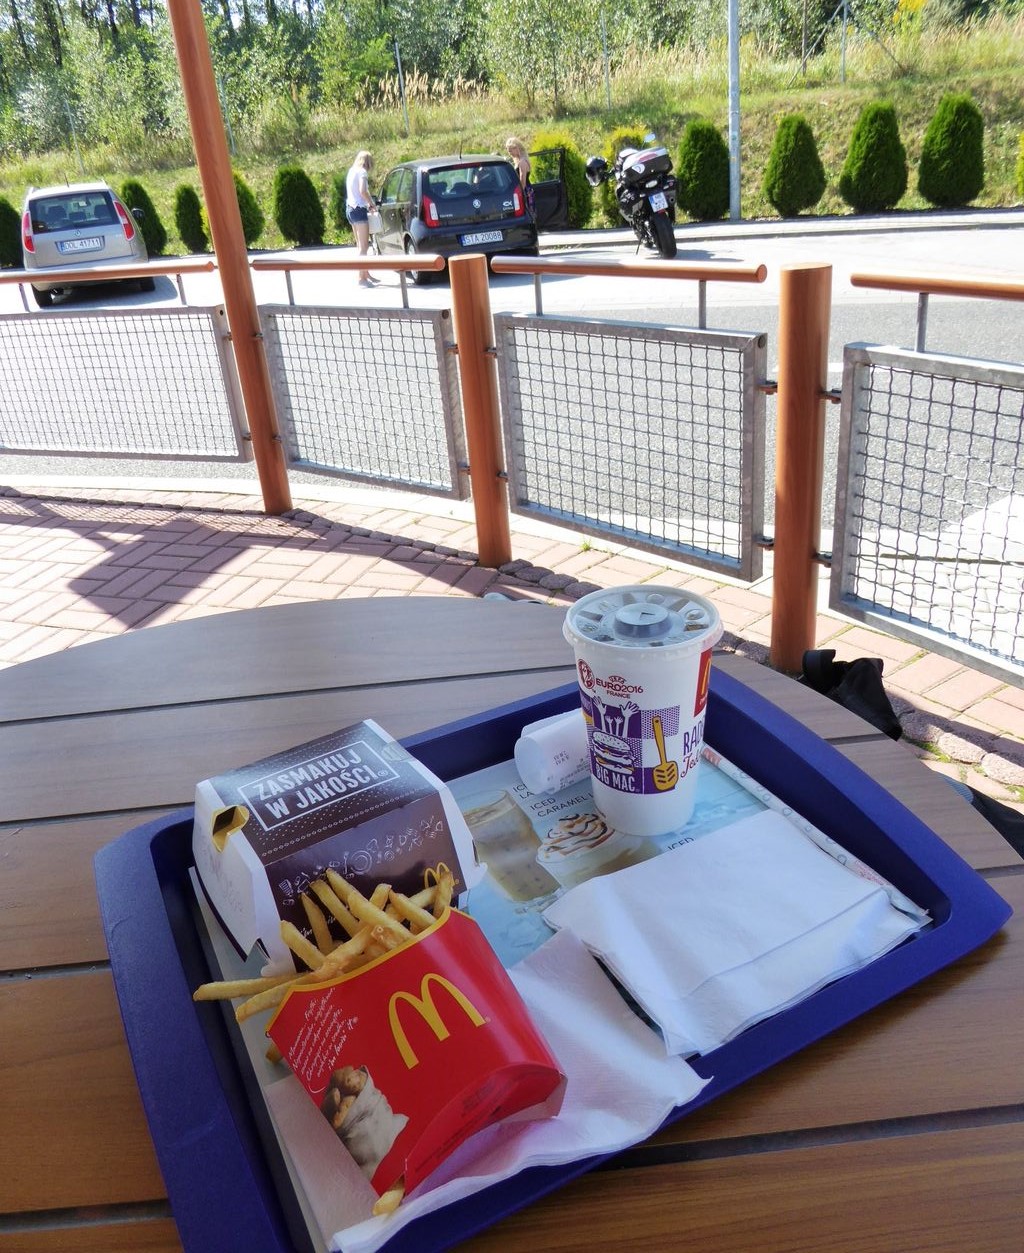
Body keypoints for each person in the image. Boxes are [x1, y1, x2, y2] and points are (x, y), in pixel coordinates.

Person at [346, 150, 378, 287]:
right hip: (359, 209)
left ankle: (366, 273)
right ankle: (361, 277)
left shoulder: (351, 171)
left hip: (350, 209)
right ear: (368, 162)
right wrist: (371, 204)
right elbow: (363, 191)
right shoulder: (362, 172)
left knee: (360, 245)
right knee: (364, 246)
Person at [505, 137, 535, 215]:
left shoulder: (522, 162)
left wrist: (518, 194)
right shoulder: (521, 160)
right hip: (527, 190)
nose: (509, 153)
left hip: (525, 191)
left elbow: (522, 182)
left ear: (516, 148)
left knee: (527, 213)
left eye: (510, 151)